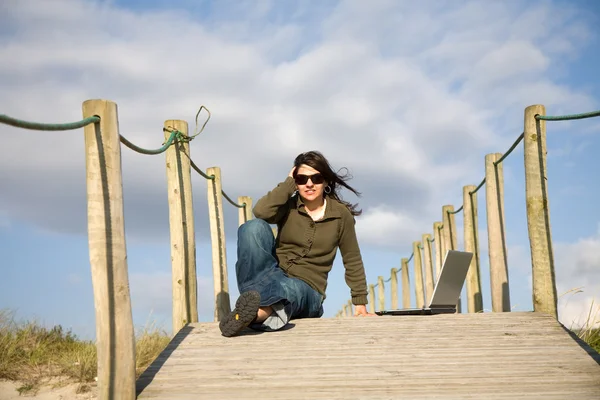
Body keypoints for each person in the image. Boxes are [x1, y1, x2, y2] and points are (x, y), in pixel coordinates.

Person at [219, 150, 374, 337]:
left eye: (316, 178)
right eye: (301, 179)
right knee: (253, 227)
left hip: (308, 290)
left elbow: (352, 259)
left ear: (325, 181)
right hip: (273, 275)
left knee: (288, 289)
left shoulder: (341, 216)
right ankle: (255, 311)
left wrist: (360, 303)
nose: (309, 184)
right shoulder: (289, 205)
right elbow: (261, 211)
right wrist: (287, 185)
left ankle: (252, 314)